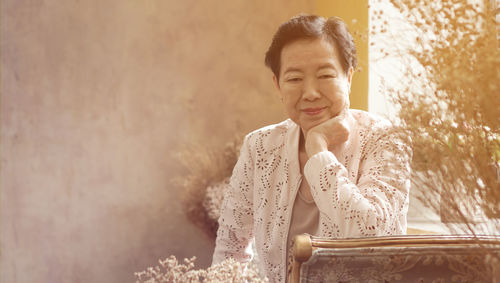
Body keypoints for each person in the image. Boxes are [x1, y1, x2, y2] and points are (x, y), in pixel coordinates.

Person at [212, 14, 411, 282]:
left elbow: (370, 236)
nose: (310, 93)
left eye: (325, 75)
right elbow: (229, 252)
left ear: (348, 77)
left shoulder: (384, 139)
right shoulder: (260, 146)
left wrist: (318, 150)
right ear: (277, 85)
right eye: (294, 79)